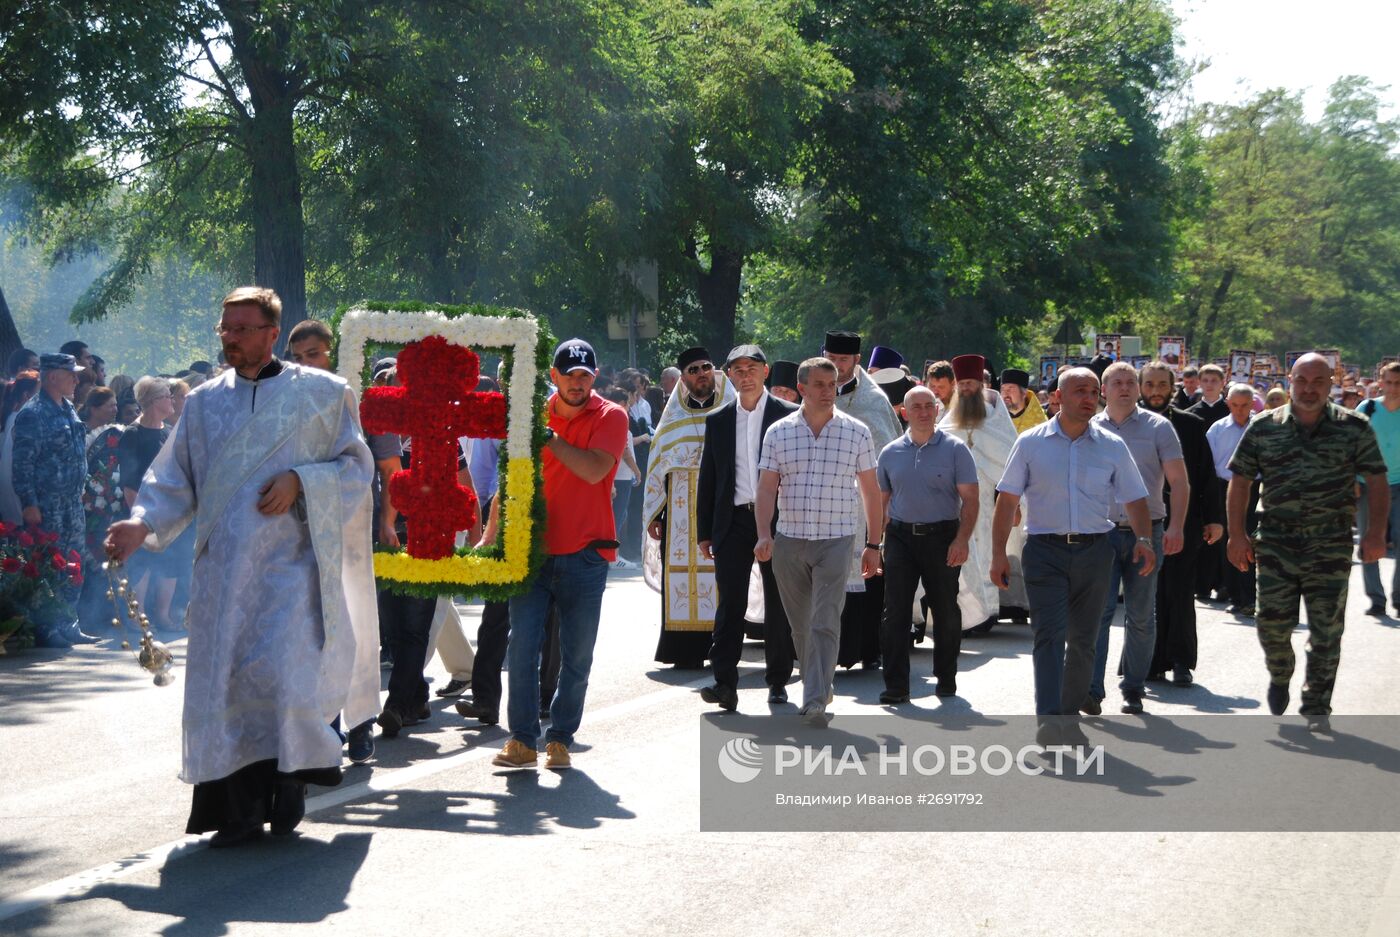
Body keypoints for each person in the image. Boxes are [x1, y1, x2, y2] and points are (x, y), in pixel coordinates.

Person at [104, 286, 380, 846]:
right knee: (228, 687)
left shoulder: (326, 395)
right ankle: (235, 810)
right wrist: (141, 524)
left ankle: (287, 791)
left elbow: (356, 471)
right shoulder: (203, 403)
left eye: (241, 329)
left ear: (271, 333)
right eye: (224, 329)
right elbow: (172, 478)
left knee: (283, 680)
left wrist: (303, 480)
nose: (229, 338)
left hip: (293, 573)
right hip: (224, 576)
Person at [990, 368, 1153, 745]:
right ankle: (1049, 721)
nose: (1089, 397)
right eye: (1080, 390)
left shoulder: (1112, 446)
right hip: (1044, 551)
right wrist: (998, 554)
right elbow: (1007, 500)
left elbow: (1135, 498)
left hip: (1096, 552)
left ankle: (1068, 717)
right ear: (1057, 398)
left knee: (1084, 639)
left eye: (1094, 391)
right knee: (1049, 635)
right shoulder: (1030, 443)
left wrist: (1144, 539)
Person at [1226, 353, 1389, 730]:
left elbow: (1377, 481)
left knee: (1327, 630)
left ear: (1331, 384)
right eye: (1302, 380)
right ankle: (1280, 672)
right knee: (1271, 625)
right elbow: (1241, 481)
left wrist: (1376, 534)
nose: (1310, 388)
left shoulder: (1354, 427)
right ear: (1290, 381)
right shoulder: (1265, 427)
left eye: (1318, 381)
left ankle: (1317, 704)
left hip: (1330, 545)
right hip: (1277, 543)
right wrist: (1237, 533)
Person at [491, 338, 626, 770]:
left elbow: (593, 470)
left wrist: (546, 437)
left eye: (585, 376)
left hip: (586, 554)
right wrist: (491, 534)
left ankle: (562, 737)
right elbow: (509, 478)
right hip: (531, 552)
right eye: (570, 375)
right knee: (522, 648)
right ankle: (522, 740)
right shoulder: (528, 417)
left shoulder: (612, 415)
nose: (578, 383)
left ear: (594, 377)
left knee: (577, 654)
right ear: (554, 376)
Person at [755, 357, 881, 726]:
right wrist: (764, 533)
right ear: (803, 389)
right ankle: (820, 683)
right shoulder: (778, 432)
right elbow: (766, 487)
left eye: (833, 384)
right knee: (799, 625)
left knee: (824, 620)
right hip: (790, 540)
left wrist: (874, 543)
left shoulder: (856, 431)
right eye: (821, 385)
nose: (829, 391)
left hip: (836, 540)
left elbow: (871, 491)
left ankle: (813, 700)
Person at [695, 344, 798, 710]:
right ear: (729, 376)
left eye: (751, 368)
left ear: (765, 372)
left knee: (778, 600)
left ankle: (778, 679)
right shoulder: (719, 420)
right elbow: (709, 478)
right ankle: (724, 683)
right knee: (730, 604)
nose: (745, 375)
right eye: (737, 370)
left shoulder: (790, 416)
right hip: (734, 520)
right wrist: (704, 531)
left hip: (779, 520)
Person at [1085, 362, 1188, 715]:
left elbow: (1179, 482)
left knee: (1142, 614)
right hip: (1101, 533)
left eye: (1131, 382)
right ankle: (1092, 690)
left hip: (1148, 531)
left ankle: (1133, 687)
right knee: (1098, 612)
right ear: (1104, 390)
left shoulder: (1159, 427)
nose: (1125, 388)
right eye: (1117, 382)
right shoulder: (1089, 428)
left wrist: (1176, 527)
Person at [877, 386, 977, 704]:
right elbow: (882, 502)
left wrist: (962, 540)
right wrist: (875, 543)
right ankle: (896, 685)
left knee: (945, 609)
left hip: (942, 536)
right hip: (900, 539)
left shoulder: (956, 449)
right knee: (895, 613)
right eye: (915, 406)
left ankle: (946, 677)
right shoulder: (890, 452)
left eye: (928, 406)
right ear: (904, 412)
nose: (922, 412)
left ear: (937, 409)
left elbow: (971, 500)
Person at [643, 347, 734, 668]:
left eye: (706, 367)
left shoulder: (732, 408)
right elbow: (657, 465)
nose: (701, 374)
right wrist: (656, 512)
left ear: (714, 370)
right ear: (684, 378)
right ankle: (682, 649)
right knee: (681, 576)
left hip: (723, 506)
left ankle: (723, 645)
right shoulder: (674, 417)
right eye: (693, 370)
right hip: (680, 512)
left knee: (723, 577)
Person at [1139, 361, 1223, 686]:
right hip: (1139, 521)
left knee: (1179, 590)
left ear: (1173, 387)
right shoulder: (1128, 424)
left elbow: (1205, 475)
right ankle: (1147, 660)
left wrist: (1215, 518)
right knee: (1146, 594)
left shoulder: (1190, 424)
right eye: (1150, 385)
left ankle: (1180, 660)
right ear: (1140, 387)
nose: (1156, 391)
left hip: (1182, 520)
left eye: (1162, 385)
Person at [825, 330, 902, 670]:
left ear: (857, 361)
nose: (836, 366)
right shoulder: (813, 391)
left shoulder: (873, 400)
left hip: (862, 500)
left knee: (868, 572)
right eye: (832, 358)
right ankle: (831, 650)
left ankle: (868, 649)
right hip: (824, 500)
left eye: (843, 360)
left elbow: (888, 454)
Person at [11, 354, 93, 648]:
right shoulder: (33, 413)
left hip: (71, 502)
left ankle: (69, 623)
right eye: (70, 374)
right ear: (52, 376)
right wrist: (29, 502)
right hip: (46, 504)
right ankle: (47, 628)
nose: (76, 379)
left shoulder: (68, 407)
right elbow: (22, 464)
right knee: (50, 565)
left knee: (74, 563)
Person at [939, 354, 1019, 635]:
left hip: (986, 499)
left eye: (971, 383)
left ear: (981, 383)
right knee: (962, 556)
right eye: (962, 384)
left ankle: (986, 613)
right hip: (954, 499)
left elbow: (1009, 457)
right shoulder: (949, 417)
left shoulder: (997, 416)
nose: (967, 389)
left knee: (984, 552)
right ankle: (966, 615)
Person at [117, 377, 179, 634]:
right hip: (141, 511)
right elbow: (129, 482)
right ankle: (137, 616)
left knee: (170, 561)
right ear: (153, 401)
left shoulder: (168, 431)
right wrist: (138, 518)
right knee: (140, 563)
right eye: (167, 395)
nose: (172, 400)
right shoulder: (133, 434)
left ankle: (163, 616)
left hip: (169, 511)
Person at [1206, 384, 1259, 616]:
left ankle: (1249, 596)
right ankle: (1234, 594)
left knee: (1248, 539)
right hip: (1223, 486)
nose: (1239, 410)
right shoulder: (1217, 429)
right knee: (1226, 539)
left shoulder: (1260, 427)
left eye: (1244, 405)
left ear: (1252, 404)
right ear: (1227, 403)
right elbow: (1208, 462)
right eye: (1235, 405)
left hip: (1251, 486)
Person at [1357, 362, 1400, 616]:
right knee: (1367, 541)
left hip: (1399, 484)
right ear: (1380, 382)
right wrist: (1352, 478)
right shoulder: (1367, 409)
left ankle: (1399, 597)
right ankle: (1376, 599)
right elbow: (1352, 446)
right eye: (1389, 382)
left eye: (1398, 383)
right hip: (1368, 484)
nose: (1394, 388)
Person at [1188, 364, 1229, 601]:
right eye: (1206, 380)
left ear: (1222, 383)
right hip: (1200, 480)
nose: (1210, 384)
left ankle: (1223, 582)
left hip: (1225, 481)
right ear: (1200, 383)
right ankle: (1201, 583)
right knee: (1201, 532)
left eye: (1215, 380)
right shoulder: (1192, 413)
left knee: (1223, 531)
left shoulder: (1230, 410)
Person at [602, 387, 642, 569]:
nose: (629, 405)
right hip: (621, 476)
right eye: (626, 402)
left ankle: (611, 554)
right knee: (616, 518)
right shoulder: (618, 419)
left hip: (617, 475)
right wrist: (636, 470)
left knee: (619, 515)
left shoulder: (607, 419)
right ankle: (612, 556)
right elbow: (624, 450)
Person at [1001, 368, 1047, 433]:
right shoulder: (996, 419)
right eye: (1003, 389)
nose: (1005, 393)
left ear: (1024, 393)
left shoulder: (1039, 423)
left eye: (1010, 388)